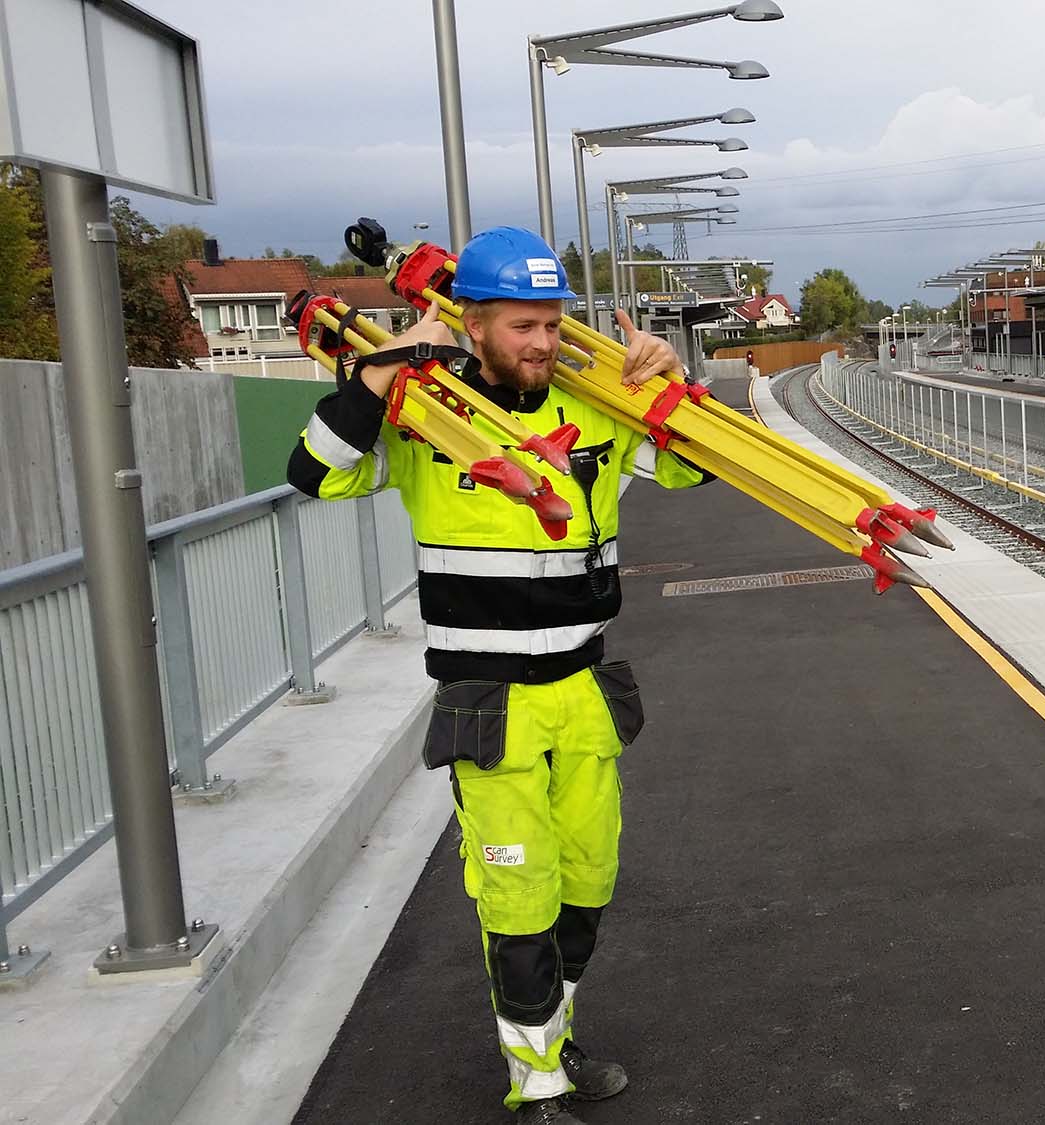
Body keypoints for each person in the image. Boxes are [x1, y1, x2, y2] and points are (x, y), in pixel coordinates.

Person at [287, 227, 710, 1123]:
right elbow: (311, 474)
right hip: (493, 706)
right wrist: (378, 372)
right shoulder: (421, 419)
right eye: (522, 326)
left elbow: (692, 466)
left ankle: (556, 1037)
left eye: (553, 324)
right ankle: (538, 1084)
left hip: (585, 700)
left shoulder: (594, 406)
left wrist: (668, 381)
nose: (543, 343)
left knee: (584, 890)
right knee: (518, 901)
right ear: (469, 322)